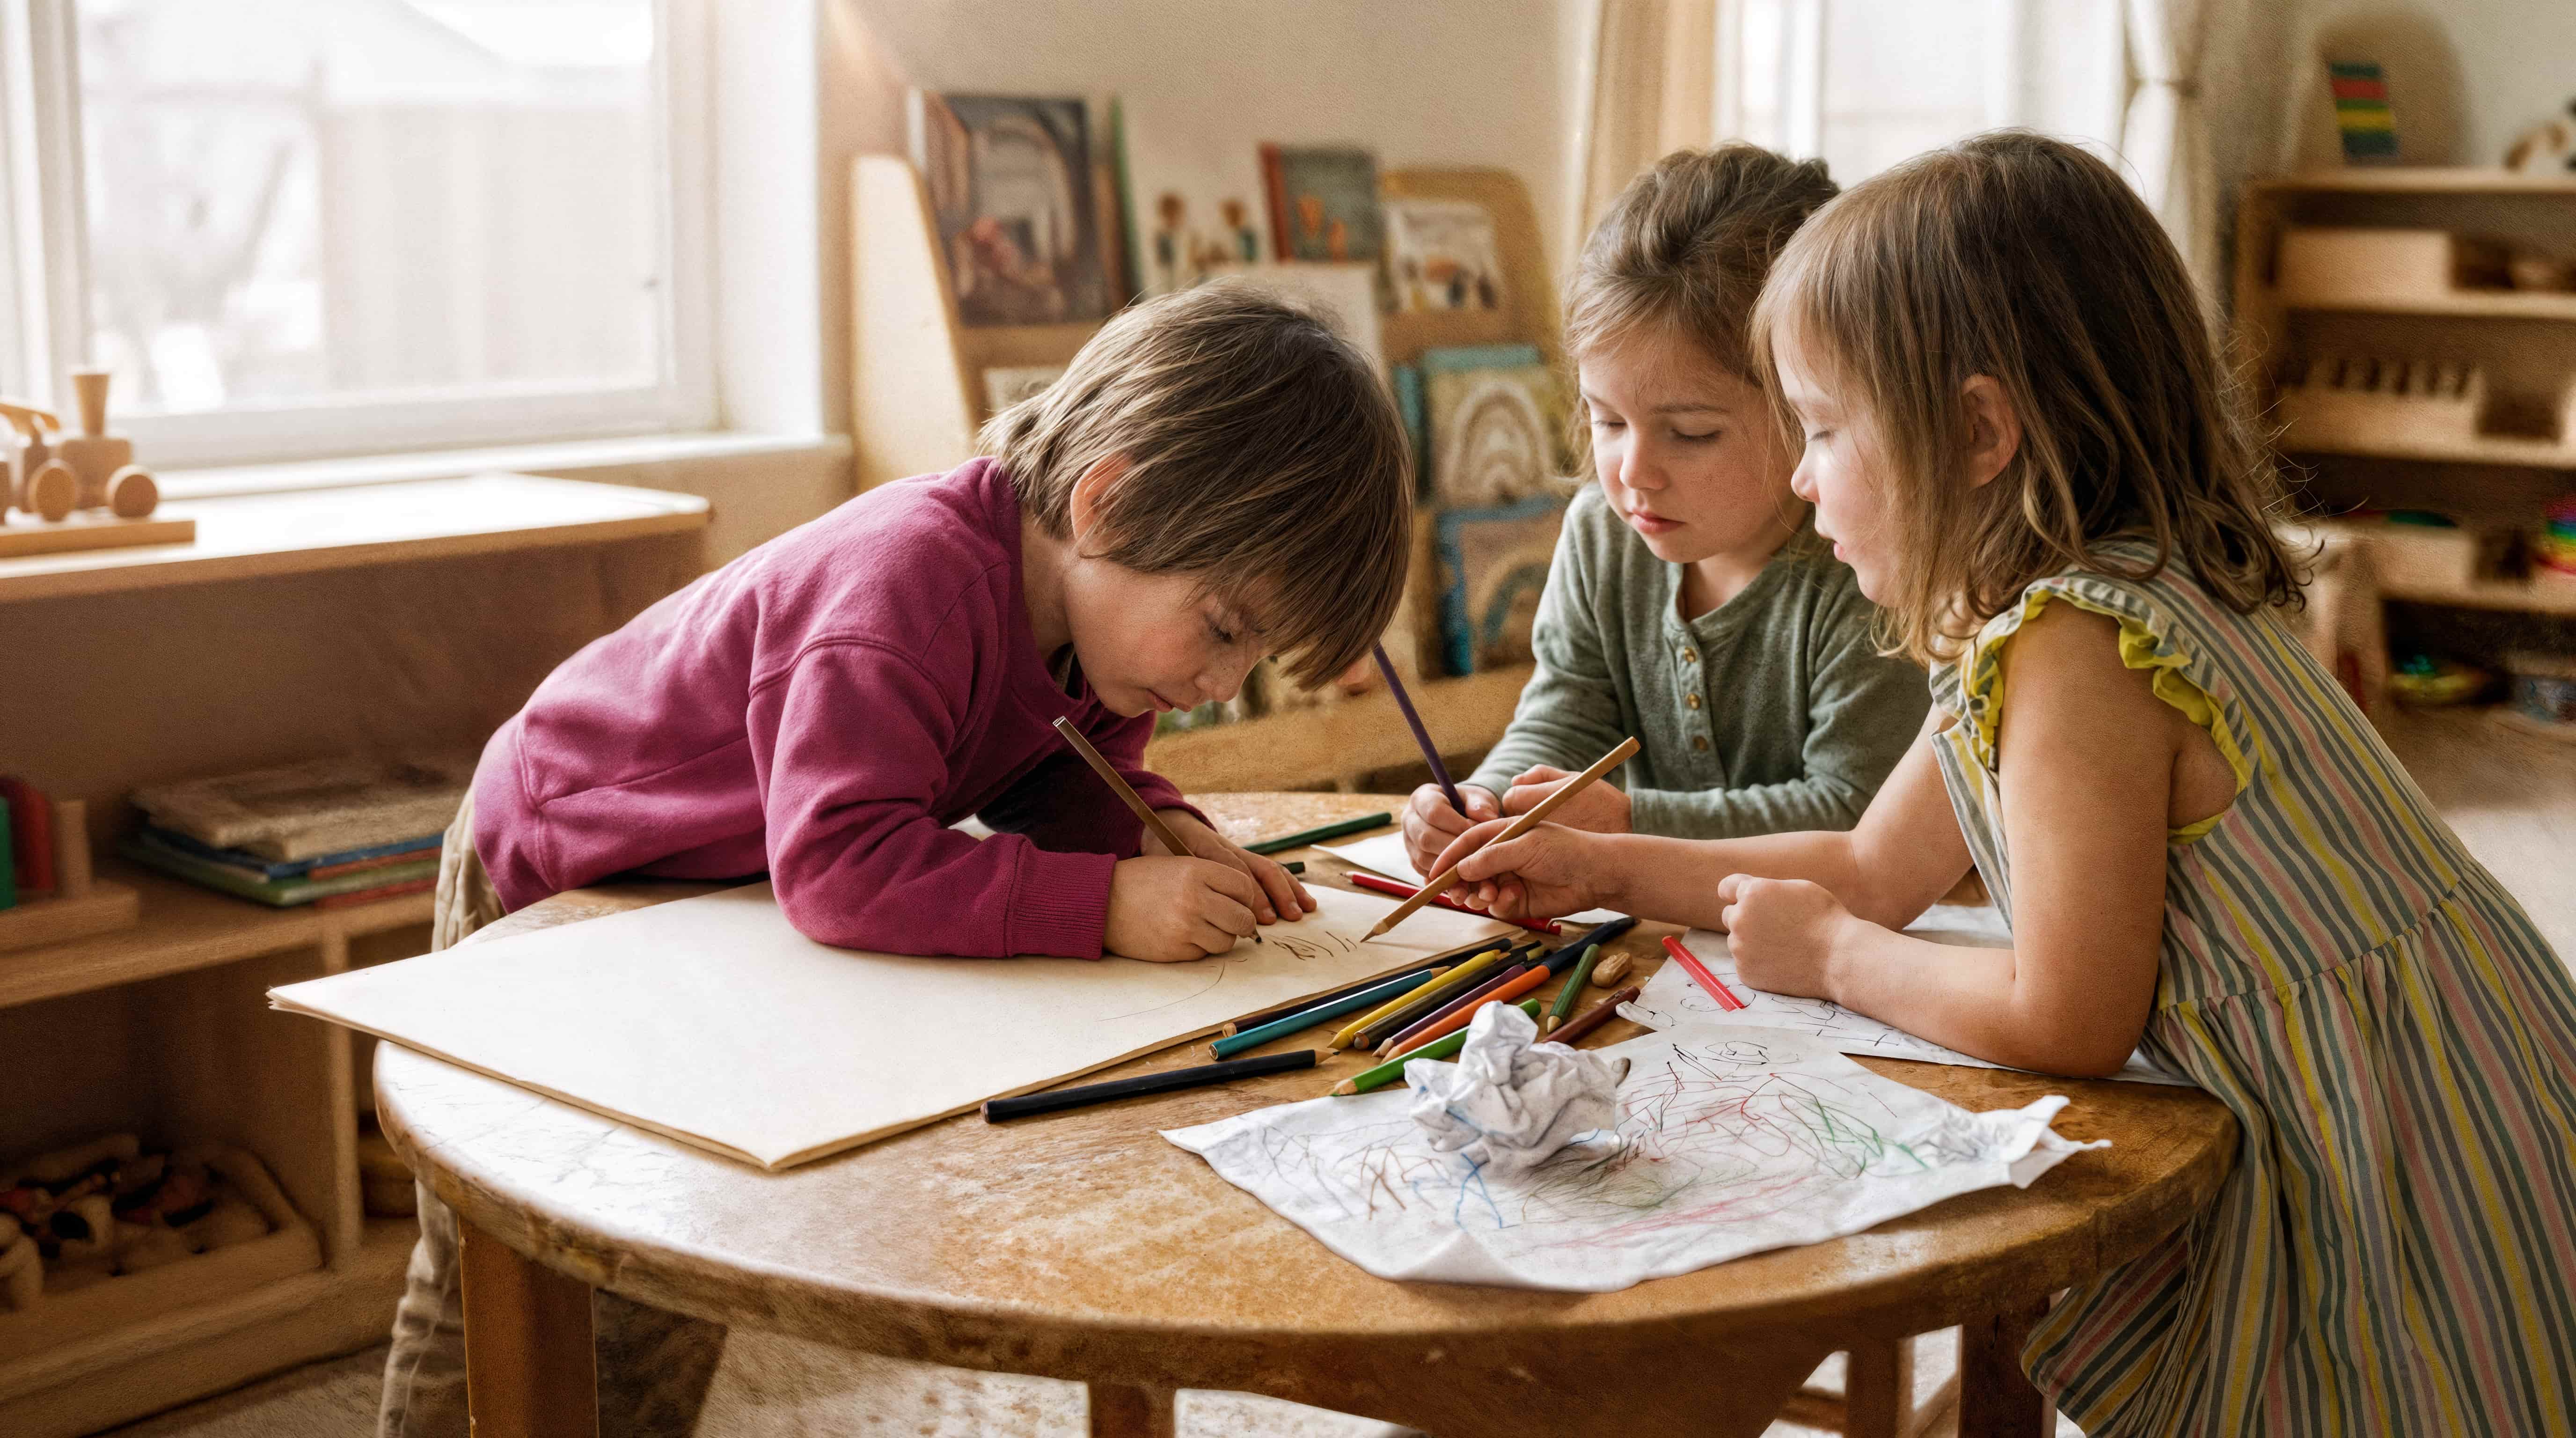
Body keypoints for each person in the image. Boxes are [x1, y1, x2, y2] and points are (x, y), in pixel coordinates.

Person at [1436, 132, 2576, 1436]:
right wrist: (1594, 865)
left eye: (1818, 429)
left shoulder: (2082, 647)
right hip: (2421, 1057)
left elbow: (2066, 1012)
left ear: (1978, 431)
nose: (1804, 479)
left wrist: (1843, 962)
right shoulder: (2056, 614)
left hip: (2396, 1125)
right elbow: (1870, 866)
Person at [381, 281, 1414, 1437]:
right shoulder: (904, 588)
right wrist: (1108, 902)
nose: (1227, 682)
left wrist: (1148, 822)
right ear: (1110, 503)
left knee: (662, 1268)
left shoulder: (1092, 628)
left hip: (708, 896)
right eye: (1226, 627)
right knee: (506, 1265)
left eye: (1257, 652)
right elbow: (841, 865)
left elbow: (1062, 769)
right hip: (560, 857)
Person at [1403, 145, 1925, 880]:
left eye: (1691, 433)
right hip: (1662, 944)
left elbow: (1860, 811)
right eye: (1606, 421)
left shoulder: (1868, 571)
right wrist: (1487, 802)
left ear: (1808, 409)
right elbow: (1568, 716)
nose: (1632, 470)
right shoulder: (1601, 535)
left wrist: (1630, 823)